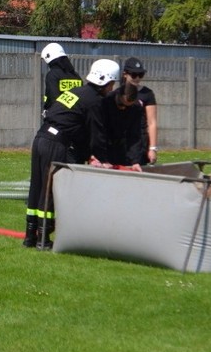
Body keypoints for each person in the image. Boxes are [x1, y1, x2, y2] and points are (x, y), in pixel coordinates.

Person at [24, 58, 124, 250]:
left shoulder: (76, 92)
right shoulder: (95, 101)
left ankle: (30, 236)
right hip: (56, 143)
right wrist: (100, 157)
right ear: (106, 81)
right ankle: (43, 240)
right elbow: (95, 135)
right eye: (111, 84)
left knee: (36, 187)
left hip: (41, 137)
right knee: (50, 190)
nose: (112, 89)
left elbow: (71, 122)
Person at [122, 57, 158, 165]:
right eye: (133, 75)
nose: (137, 78)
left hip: (140, 141)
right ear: (125, 74)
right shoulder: (118, 93)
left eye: (140, 75)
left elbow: (152, 122)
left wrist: (153, 148)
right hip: (122, 142)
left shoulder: (147, 94)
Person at [40, 42, 82, 116]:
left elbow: (54, 98)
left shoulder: (52, 75)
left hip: (59, 117)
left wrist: (48, 112)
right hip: (76, 116)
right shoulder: (76, 75)